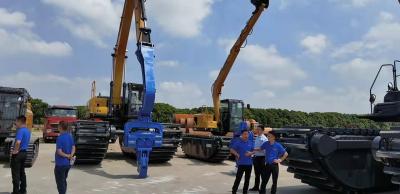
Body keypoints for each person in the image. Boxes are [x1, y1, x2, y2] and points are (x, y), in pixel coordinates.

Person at [11, 116, 31, 194]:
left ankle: (16, 192)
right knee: (22, 173)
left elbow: (18, 142)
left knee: (16, 174)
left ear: (20, 121)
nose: (15, 123)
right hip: (24, 153)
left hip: (18, 154)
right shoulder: (27, 131)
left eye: (16, 121)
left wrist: (15, 151)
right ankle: (23, 190)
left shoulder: (20, 131)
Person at [54, 121, 75, 194]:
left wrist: (68, 156)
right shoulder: (70, 136)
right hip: (67, 164)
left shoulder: (60, 138)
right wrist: (71, 155)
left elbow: (59, 152)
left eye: (58, 126)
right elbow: (73, 147)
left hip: (60, 164)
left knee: (60, 184)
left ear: (60, 127)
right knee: (63, 181)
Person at [230, 130, 254, 194]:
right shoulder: (238, 142)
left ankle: (245, 192)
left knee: (247, 179)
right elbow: (232, 149)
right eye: (245, 134)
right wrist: (237, 154)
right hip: (241, 163)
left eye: (247, 134)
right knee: (238, 178)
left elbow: (254, 151)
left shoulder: (250, 142)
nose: (246, 136)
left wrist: (251, 153)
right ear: (242, 135)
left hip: (249, 164)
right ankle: (234, 191)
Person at [249, 125, 268, 192]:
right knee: (257, 174)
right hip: (256, 157)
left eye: (259, 129)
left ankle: (263, 188)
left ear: (262, 131)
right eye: (257, 129)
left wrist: (254, 150)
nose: (257, 131)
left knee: (262, 174)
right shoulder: (257, 137)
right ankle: (256, 187)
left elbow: (264, 150)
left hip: (262, 158)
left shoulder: (264, 139)